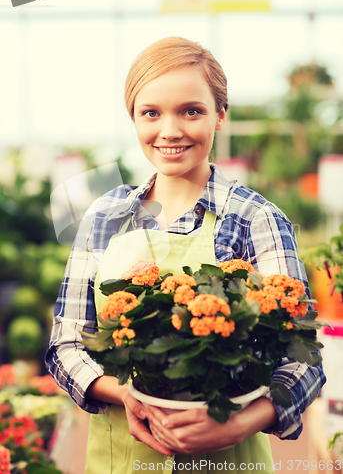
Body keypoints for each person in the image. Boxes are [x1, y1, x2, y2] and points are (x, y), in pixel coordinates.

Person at [45, 36, 326, 474]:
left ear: (220, 115)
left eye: (191, 110)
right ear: (134, 119)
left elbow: (303, 360)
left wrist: (238, 425)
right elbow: (65, 344)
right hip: (122, 460)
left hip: (230, 459)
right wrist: (125, 395)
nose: (170, 130)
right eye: (151, 112)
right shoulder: (104, 216)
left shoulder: (257, 220)